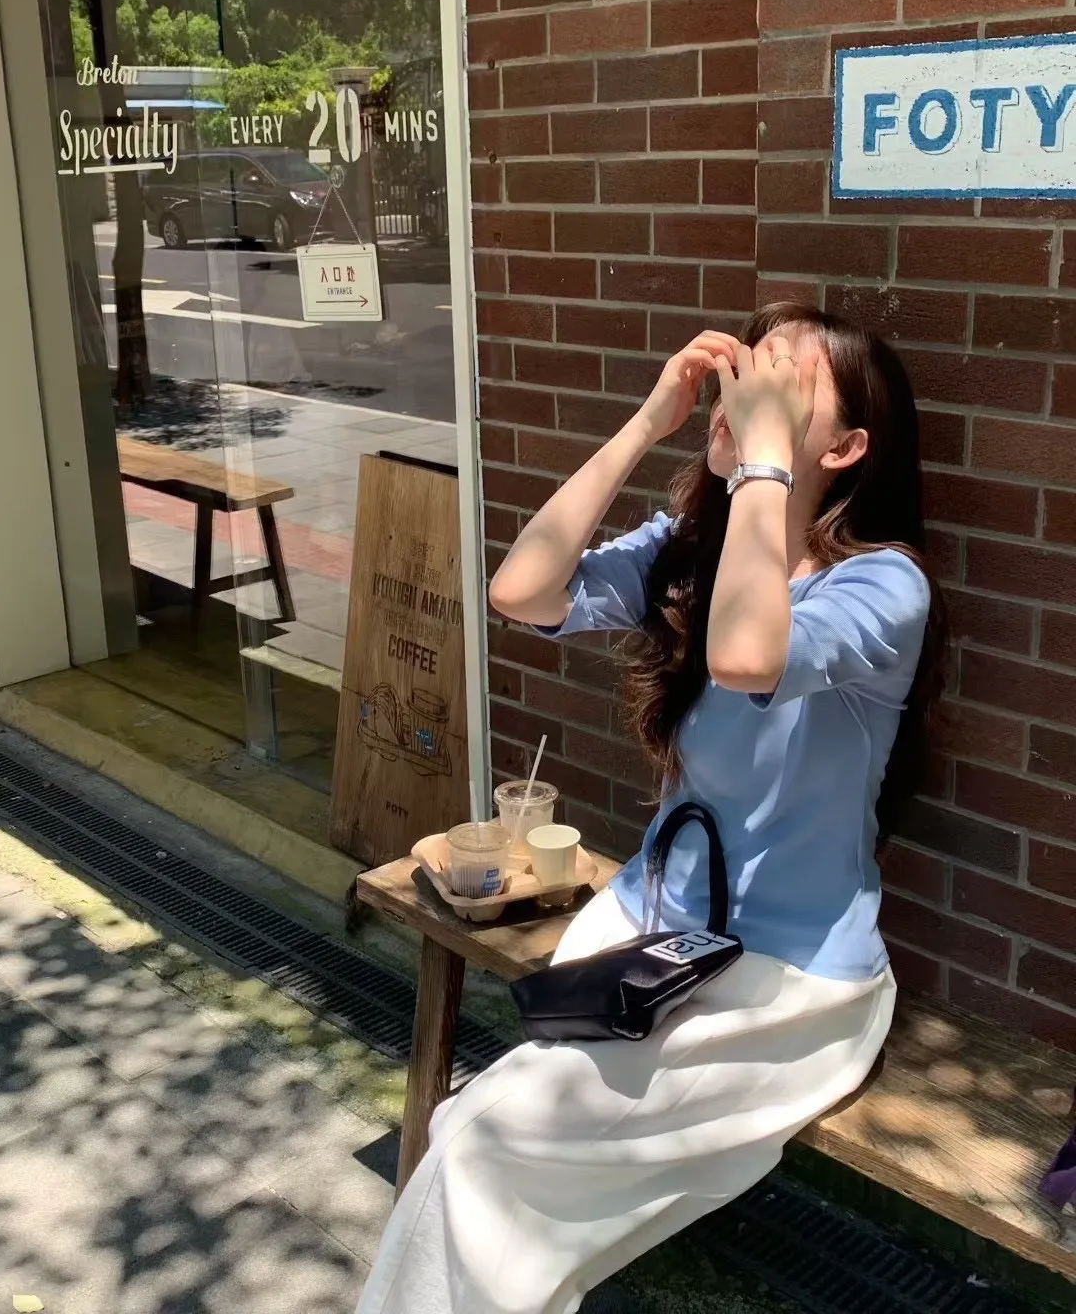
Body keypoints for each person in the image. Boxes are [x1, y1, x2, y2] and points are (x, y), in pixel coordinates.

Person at [356, 303, 945, 1314]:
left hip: (784, 983)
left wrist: (759, 467)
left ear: (846, 448)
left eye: (779, 381)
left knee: (482, 1151)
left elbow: (748, 654)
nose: (742, 390)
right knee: (476, 1144)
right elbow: (522, 590)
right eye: (742, 368)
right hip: (653, 931)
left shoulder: (883, 585)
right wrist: (649, 421)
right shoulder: (692, 546)